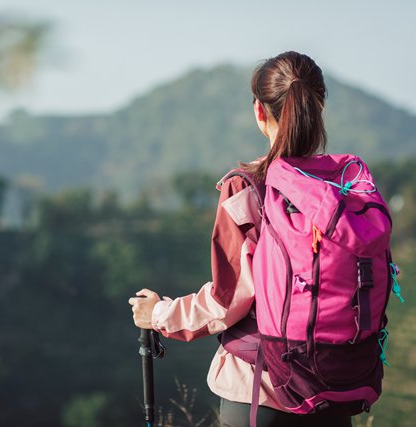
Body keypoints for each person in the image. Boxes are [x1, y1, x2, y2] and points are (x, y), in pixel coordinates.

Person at [128, 51, 352, 427]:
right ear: (320, 107)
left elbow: (227, 300)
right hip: (334, 390)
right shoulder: (346, 188)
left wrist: (159, 315)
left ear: (259, 112)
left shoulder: (246, 189)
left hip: (261, 393)